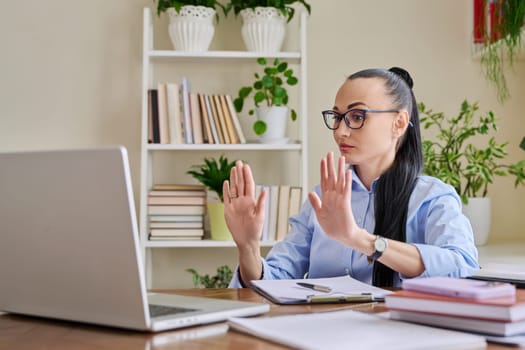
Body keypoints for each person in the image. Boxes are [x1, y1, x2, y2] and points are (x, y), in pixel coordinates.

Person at [223, 67, 479, 288]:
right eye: (337, 117)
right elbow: (274, 279)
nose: (340, 131)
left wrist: (361, 240)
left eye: (357, 117)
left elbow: (462, 266)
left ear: (399, 123)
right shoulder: (322, 199)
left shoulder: (432, 198)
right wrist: (248, 248)